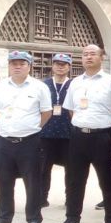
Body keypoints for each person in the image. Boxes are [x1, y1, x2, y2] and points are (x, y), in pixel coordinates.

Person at [57, 44, 111, 223]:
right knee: (74, 180)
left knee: (107, 182)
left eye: (93, 54)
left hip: (103, 137)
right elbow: (71, 110)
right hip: (78, 137)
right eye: (85, 54)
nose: (88, 57)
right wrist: (81, 125)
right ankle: (72, 218)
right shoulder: (75, 82)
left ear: (101, 57)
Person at [0, 51, 52, 223]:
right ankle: (4, 217)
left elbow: (46, 113)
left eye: (22, 63)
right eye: (13, 63)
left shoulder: (39, 87)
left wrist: (32, 127)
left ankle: (34, 218)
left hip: (29, 141)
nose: (17, 66)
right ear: (9, 66)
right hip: (4, 141)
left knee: (32, 182)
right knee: (4, 181)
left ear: (29, 66)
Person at [39, 53, 73, 208]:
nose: (60, 67)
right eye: (57, 64)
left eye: (64, 64)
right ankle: (41, 198)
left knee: (71, 170)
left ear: (69, 67)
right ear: (52, 66)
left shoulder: (74, 85)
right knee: (43, 168)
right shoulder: (44, 85)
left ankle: (70, 199)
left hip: (68, 134)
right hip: (46, 133)